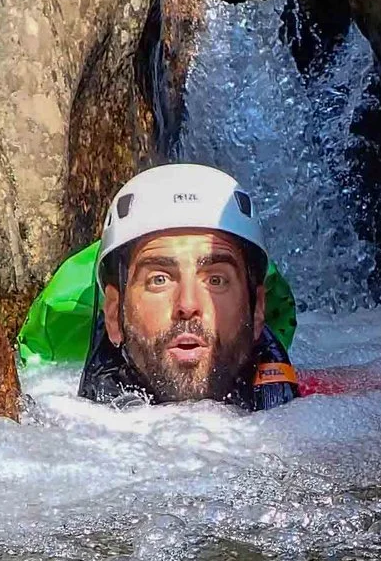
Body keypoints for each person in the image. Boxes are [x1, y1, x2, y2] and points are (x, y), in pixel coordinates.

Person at [79, 164, 301, 409]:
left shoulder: (325, 407)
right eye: (159, 280)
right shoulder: (59, 415)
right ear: (113, 314)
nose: (187, 305)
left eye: (216, 280)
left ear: (257, 309)